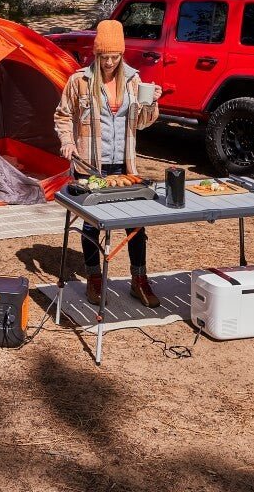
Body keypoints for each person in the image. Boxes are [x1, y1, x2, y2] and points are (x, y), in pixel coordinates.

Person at [54, 20, 162, 307]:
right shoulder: (80, 81)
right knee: (91, 226)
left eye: (115, 57)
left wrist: (152, 105)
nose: (110, 63)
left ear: (122, 54)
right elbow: (63, 115)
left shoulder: (134, 80)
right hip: (90, 166)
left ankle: (139, 279)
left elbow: (142, 122)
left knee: (136, 225)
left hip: (125, 168)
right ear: (96, 54)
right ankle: (94, 278)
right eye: (105, 57)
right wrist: (67, 141)